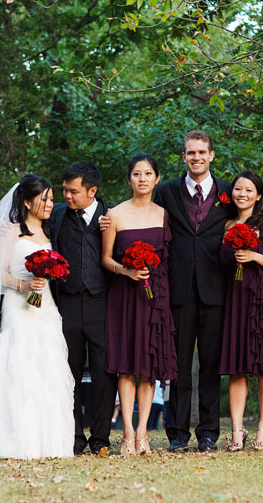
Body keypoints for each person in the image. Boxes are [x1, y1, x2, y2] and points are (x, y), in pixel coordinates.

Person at [0, 174, 74, 459]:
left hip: (45, 307)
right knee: (17, 366)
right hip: (18, 305)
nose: (49, 204)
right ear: (26, 201)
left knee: (47, 367)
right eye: (44, 199)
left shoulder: (50, 231)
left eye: (51, 199)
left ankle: (48, 440)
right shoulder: (9, 231)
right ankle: (12, 439)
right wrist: (25, 285)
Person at [153, 131, 232, 453]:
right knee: (178, 366)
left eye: (202, 152)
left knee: (211, 366)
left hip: (216, 288)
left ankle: (209, 433)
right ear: (183, 156)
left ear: (211, 155)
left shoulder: (228, 191)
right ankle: (176, 433)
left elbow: (248, 219)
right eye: (191, 153)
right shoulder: (166, 191)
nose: (196, 157)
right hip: (178, 289)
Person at [102, 153, 178, 456]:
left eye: (148, 173)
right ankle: (127, 435)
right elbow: (106, 259)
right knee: (126, 367)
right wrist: (126, 271)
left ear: (157, 179)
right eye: (136, 174)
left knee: (149, 367)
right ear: (129, 179)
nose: (142, 179)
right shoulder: (115, 214)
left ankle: (144, 434)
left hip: (156, 297)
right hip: (124, 296)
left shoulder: (164, 214)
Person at [218, 171, 263, 451]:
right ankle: (237, 430)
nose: (243, 194)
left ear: (258, 195)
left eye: (249, 190)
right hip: (235, 298)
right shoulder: (226, 224)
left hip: (262, 295)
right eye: (238, 189)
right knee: (236, 367)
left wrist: (253, 256)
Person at [49, 161, 117, 457]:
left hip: (103, 303)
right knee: (68, 372)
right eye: (64, 190)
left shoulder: (112, 215)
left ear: (92, 191)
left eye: (73, 191)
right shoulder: (56, 215)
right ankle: (74, 436)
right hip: (66, 302)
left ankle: (101, 437)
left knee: (104, 372)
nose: (67, 195)